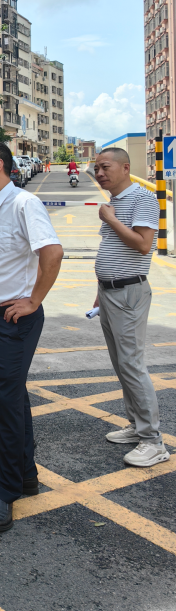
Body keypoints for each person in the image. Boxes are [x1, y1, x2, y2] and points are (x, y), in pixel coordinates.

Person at [0, 140, 63, 533]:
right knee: (11, 396)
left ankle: (5, 490)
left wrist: (34, 300)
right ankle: (25, 474)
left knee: (6, 404)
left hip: (14, 321)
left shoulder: (24, 204)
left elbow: (52, 253)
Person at [92, 148, 168, 467]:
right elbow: (111, 246)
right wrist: (101, 287)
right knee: (121, 363)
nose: (99, 173)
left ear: (126, 167)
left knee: (132, 364)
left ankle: (153, 441)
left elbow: (142, 244)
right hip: (110, 293)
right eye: (96, 168)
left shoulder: (142, 198)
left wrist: (109, 218)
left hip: (129, 293)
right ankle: (137, 427)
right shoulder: (116, 201)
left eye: (105, 167)